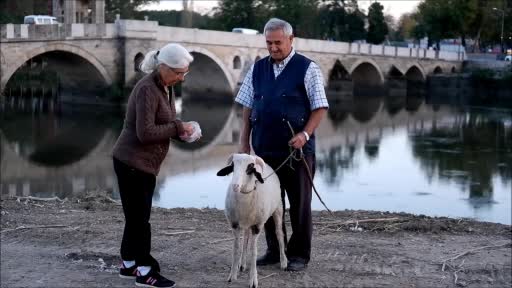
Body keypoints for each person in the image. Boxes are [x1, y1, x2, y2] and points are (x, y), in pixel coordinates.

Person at [235, 18, 329, 272]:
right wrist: (244, 141)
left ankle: (299, 255)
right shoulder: (257, 69)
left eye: (278, 42)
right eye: (269, 43)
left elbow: (320, 107)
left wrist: (305, 134)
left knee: (299, 205)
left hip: (297, 153)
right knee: (265, 202)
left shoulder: (308, 69)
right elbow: (247, 105)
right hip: (264, 152)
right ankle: (275, 251)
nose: (273, 47)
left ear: (290, 39)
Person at [112, 43, 200, 288]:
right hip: (132, 162)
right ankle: (145, 271)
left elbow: (165, 123)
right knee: (140, 220)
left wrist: (182, 131)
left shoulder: (165, 86)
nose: (182, 77)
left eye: (185, 73)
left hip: (143, 164)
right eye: (178, 72)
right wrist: (178, 128)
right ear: (163, 67)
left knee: (135, 217)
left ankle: (128, 264)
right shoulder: (147, 90)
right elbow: (145, 133)